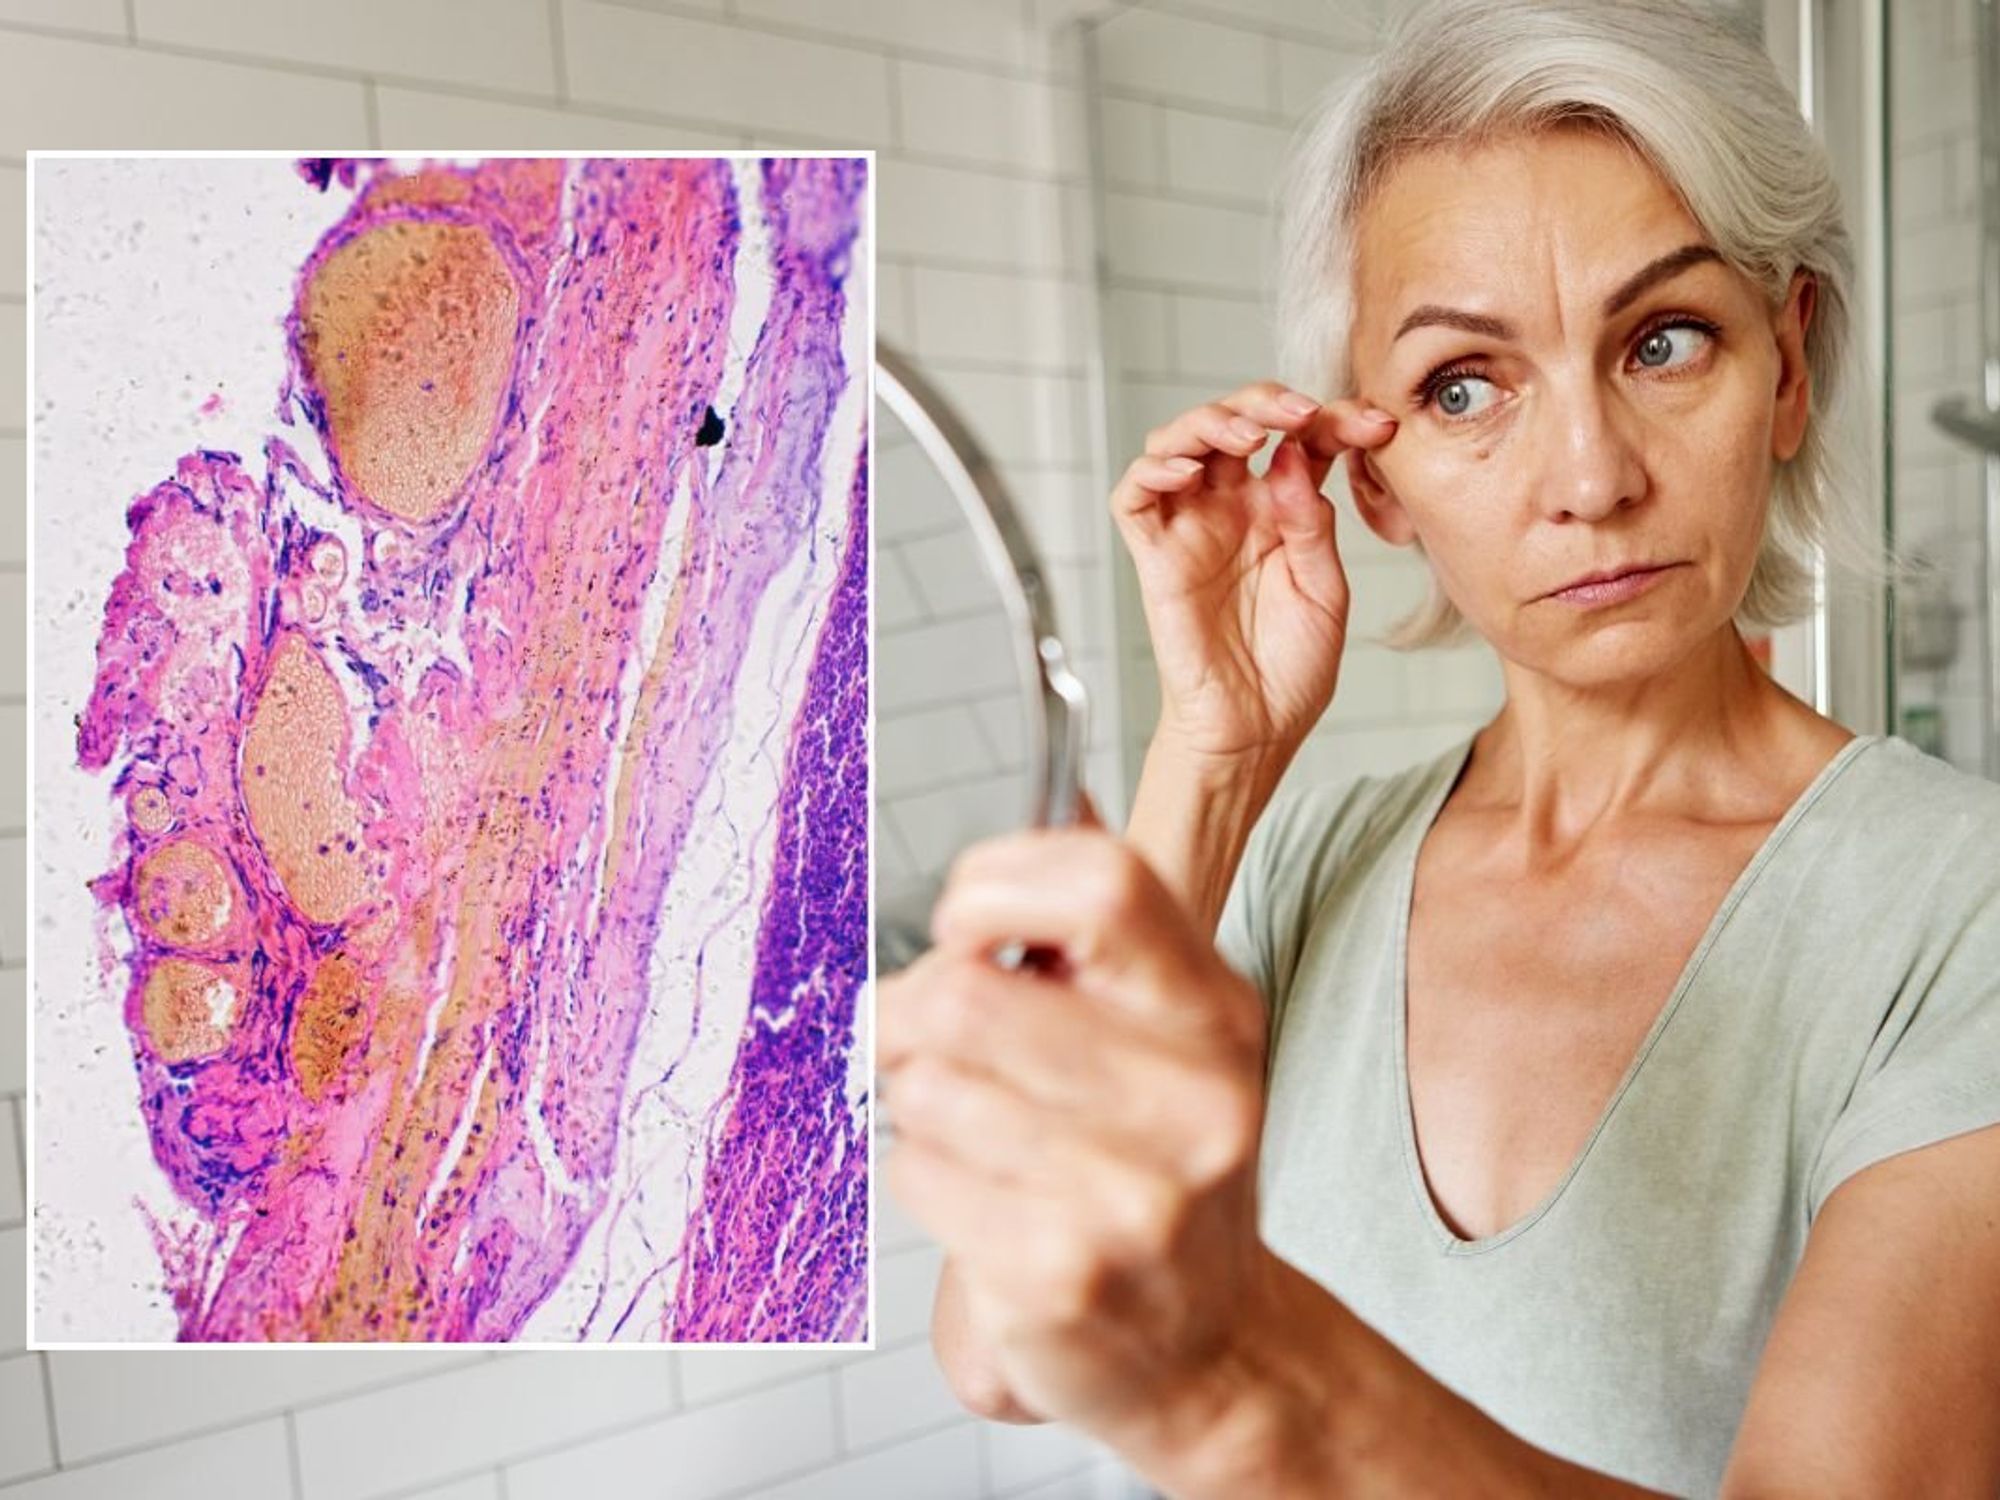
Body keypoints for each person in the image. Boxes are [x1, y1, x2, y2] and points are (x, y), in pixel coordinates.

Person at [877, 0, 2000, 1493]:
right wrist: (1212, 757)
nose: (1591, 477)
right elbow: (990, 1348)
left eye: (1664, 341)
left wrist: (1240, 1375)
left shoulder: (1958, 914)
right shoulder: (1312, 867)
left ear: (1786, 369)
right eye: (1463, 387)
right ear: (1374, 481)